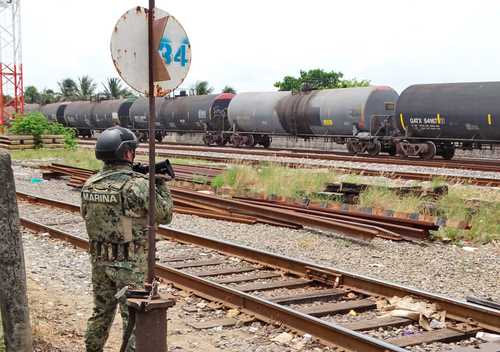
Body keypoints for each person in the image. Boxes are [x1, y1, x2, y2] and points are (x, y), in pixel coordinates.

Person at [81, 126, 173, 352]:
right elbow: (165, 215)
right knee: (132, 316)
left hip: (100, 261)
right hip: (129, 267)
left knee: (101, 312)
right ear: (127, 153)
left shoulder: (90, 184)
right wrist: (159, 182)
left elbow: (87, 215)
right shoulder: (137, 184)